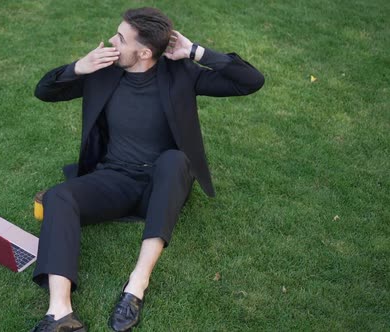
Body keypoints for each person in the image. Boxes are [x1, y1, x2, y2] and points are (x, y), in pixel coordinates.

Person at [29, 7, 264, 332]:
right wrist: (78, 68)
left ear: (144, 52)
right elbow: (44, 92)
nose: (112, 41)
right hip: (114, 180)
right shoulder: (104, 70)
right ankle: (60, 313)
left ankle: (136, 286)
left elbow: (250, 81)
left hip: (162, 182)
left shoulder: (181, 74)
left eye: (121, 38)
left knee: (174, 159)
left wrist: (196, 51)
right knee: (57, 197)